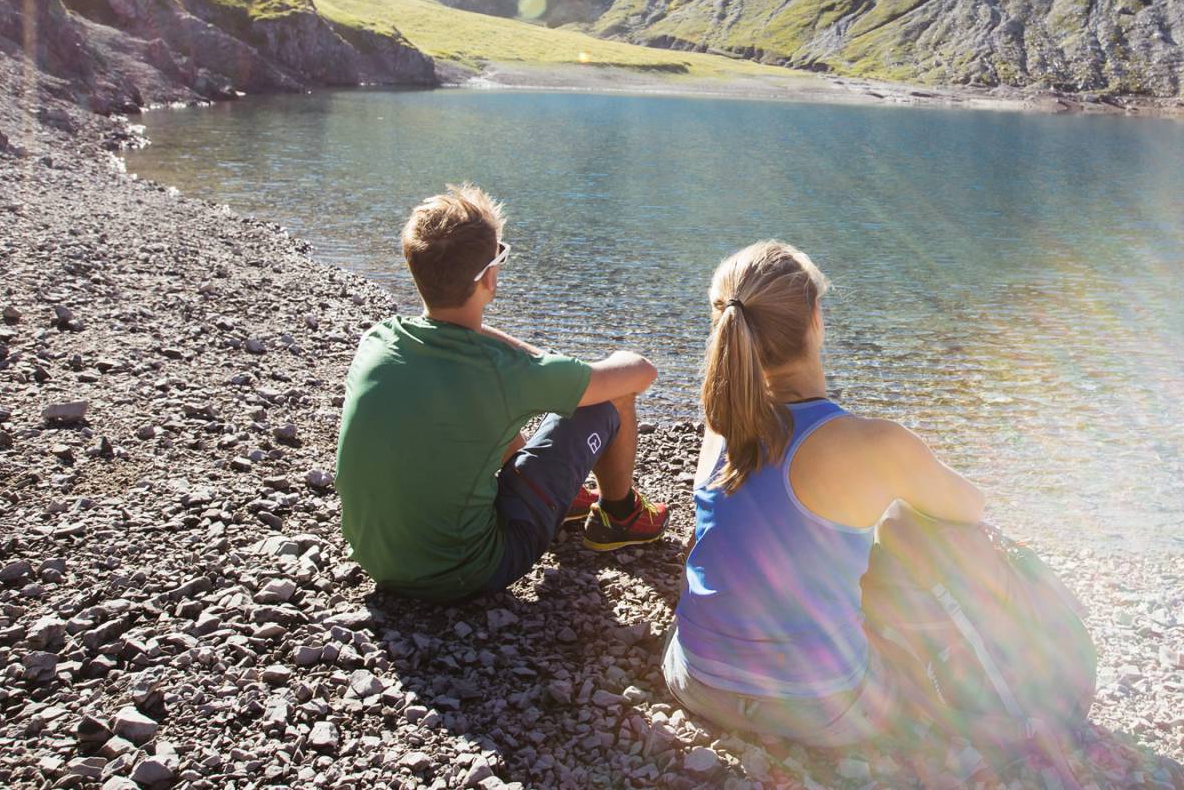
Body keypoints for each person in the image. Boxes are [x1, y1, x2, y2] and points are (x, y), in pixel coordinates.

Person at [664, 240, 985, 746]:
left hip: (697, 679)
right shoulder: (874, 443)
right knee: (925, 529)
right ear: (816, 318)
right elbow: (970, 508)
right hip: (820, 708)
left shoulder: (720, 422)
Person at [335, 183, 670, 603]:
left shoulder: (380, 340)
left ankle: (564, 500)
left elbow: (471, 353)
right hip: (467, 570)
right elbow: (642, 373)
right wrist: (566, 363)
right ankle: (620, 517)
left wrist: (535, 361)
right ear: (490, 277)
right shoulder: (503, 375)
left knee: (475, 412)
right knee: (609, 398)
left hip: (378, 560)